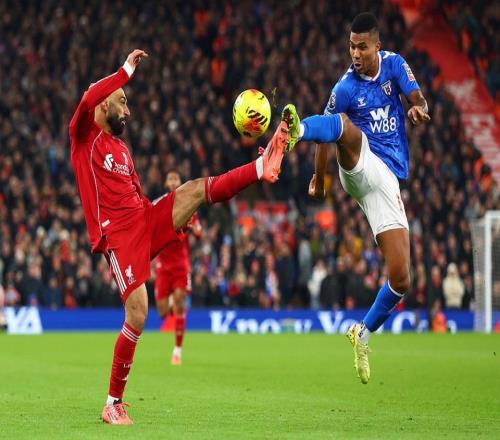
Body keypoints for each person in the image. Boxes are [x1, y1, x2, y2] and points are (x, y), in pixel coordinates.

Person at [69, 49, 289, 424]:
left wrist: (173, 219)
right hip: (118, 235)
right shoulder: (83, 137)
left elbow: (137, 196)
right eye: (123, 102)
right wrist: (125, 71)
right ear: (104, 104)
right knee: (139, 312)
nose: (128, 111)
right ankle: (112, 403)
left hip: (142, 218)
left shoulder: (121, 148)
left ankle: (259, 166)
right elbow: (89, 95)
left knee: (193, 190)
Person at [282, 12, 430, 384]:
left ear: (377, 46)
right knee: (345, 128)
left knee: (401, 278)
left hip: (386, 180)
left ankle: (362, 332)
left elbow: (418, 98)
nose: (355, 54)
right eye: (351, 46)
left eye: (362, 47)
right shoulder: (346, 87)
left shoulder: (394, 65)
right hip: (360, 164)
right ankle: (296, 128)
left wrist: (418, 108)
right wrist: (320, 178)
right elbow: (330, 130)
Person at [154, 169, 202, 366]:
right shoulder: (159, 204)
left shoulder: (189, 204)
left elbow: (199, 233)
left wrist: (194, 228)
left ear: (180, 182)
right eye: (170, 179)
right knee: (162, 312)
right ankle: (173, 299)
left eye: (176, 179)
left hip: (181, 264)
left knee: (180, 304)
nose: (173, 182)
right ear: (166, 183)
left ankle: (177, 351)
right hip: (163, 266)